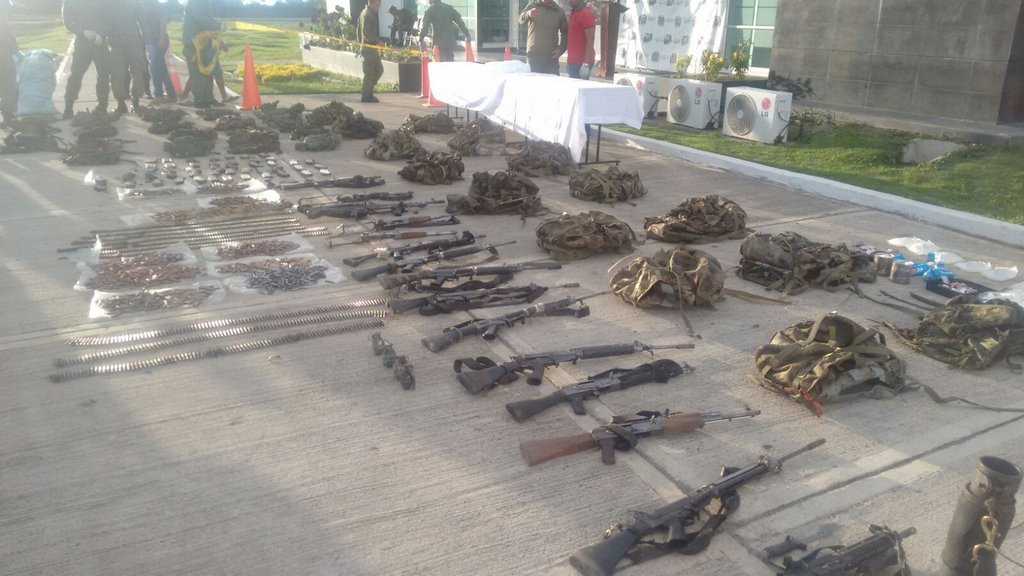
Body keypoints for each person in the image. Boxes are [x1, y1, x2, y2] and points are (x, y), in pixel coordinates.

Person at [61, 0, 111, 118]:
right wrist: (82, 31)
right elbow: (67, 21)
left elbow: (110, 20)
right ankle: (68, 106)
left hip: (100, 43)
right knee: (76, 75)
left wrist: (101, 34)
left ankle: (102, 106)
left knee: (103, 75)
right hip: (82, 43)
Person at [104, 0, 148, 114]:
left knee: (138, 72)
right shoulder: (107, 3)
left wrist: (146, 39)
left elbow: (143, 20)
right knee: (117, 74)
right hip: (116, 43)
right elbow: (102, 21)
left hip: (134, 42)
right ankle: (120, 103)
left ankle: (136, 100)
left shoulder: (134, 3)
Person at [182, 0, 220, 108]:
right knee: (197, 72)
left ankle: (209, 98)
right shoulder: (194, 2)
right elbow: (201, 18)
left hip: (204, 42)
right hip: (193, 43)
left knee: (207, 71)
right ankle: (199, 100)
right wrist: (217, 26)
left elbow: (210, 18)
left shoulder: (206, 2)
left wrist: (217, 27)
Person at [518, 0, 566, 75]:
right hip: (534, 55)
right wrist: (528, 14)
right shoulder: (533, 5)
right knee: (534, 81)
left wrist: (561, 49)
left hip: (551, 57)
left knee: (553, 81)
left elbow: (565, 33)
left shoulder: (559, 11)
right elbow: (520, 19)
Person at [143, 0, 175, 102]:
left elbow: (163, 22)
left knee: (155, 69)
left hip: (157, 40)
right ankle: (171, 93)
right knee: (161, 68)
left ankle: (159, 94)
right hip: (152, 41)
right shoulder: (145, 5)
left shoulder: (157, 6)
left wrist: (162, 38)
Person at [357, 0, 382, 103]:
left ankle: (368, 91)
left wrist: (360, 43)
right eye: (377, 5)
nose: (378, 8)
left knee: (378, 70)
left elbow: (358, 31)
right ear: (370, 3)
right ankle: (366, 95)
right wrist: (378, 41)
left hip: (370, 47)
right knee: (370, 72)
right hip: (369, 48)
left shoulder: (365, 12)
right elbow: (366, 33)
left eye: (379, 5)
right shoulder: (368, 15)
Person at [565, 0, 595, 79]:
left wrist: (586, 64)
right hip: (574, 62)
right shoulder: (573, 13)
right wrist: (569, 61)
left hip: (581, 62)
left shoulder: (586, 13)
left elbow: (590, 40)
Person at [0, 0, 17, 125]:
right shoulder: (3, 26)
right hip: (4, 61)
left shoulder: (4, 26)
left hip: (6, 60)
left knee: (7, 88)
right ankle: (7, 116)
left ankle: (8, 115)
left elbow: (11, 43)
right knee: (6, 88)